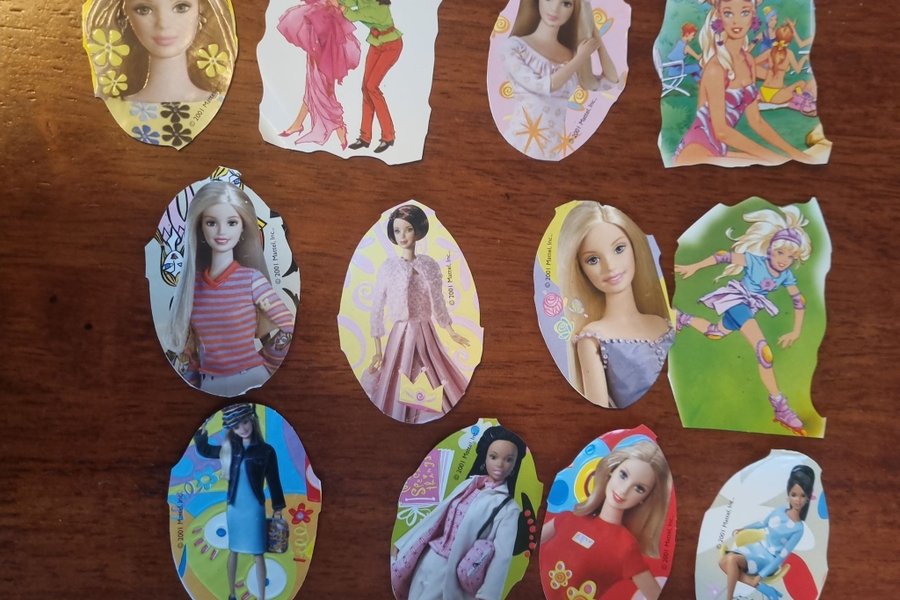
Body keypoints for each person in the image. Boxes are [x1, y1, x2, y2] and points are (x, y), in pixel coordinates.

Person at [674, 205, 812, 435]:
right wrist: (694, 266)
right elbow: (723, 256)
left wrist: (796, 331)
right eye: (780, 253)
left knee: (714, 333)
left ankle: (682, 318)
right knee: (763, 351)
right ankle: (780, 407)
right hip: (738, 301)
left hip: (750, 308)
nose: (784, 260)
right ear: (770, 249)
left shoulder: (786, 275)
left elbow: (799, 301)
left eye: (790, 256)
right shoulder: (755, 261)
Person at [166, 181, 294, 397]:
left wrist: (268, 364)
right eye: (211, 223)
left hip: (251, 377)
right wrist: (191, 381)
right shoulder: (192, 287)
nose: (221, 231)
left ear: (243, 226)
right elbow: (190, 349)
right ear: (200, 227)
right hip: (207, 386)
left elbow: (287, 325)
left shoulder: (252, 280)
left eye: (232, 222)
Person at [556, 202, 673, 408]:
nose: (610, 266)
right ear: (580, 269)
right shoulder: (592, 339)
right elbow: (598, 412)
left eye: (619, 249)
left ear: (635, 248)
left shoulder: (662, 323)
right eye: (593, 260)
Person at [672, 0, 816, 166]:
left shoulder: (748, 61)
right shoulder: (715, 69)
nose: (736, 21)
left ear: (753, 15)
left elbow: (756, 121)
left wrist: (794, 153)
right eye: (728, 13)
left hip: (719, 149)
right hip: (697, 149)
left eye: (744, 12)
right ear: (719, 16)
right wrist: (774, 157)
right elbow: (722, 132)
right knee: (775, 163)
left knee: (786, 163)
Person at [391, 426, 527, 600]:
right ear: (485, 457)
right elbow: (436, 518)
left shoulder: (509, 509)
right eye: (494, 457)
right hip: (429, 556)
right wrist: (404, 543)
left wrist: (487, 595)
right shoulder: (470, 485)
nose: (500, 464)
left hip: (450, 571)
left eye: (508, 460)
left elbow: (502, 556)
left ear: (514, 466)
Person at [365, 205, 470, 423]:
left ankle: (435, 409)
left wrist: (450, 330)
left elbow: (438, 300)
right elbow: (377, 307)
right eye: (397, 231)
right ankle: (400, 413)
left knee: (433, 369)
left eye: (408, 229)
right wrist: (377, 350)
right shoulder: (389, 268)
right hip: (400, 333)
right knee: (398, 372)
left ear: (418, 231)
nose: (402, 236)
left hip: (425, 330)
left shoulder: (429, 265)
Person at [540, 440, 672, 600]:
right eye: (623, 475)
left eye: (639, 488)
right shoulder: (569, 519)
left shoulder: (625, 547)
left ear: (645, 499)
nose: (624, 490)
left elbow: (655, 594)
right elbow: (526, 547)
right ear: (612, 471)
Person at [501, 0, 619, 160]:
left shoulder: (572, 54)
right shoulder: (515, 47)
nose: (555, 9)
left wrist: (595, 35)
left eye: (566, 3)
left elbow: (611, 81)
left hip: (554, 151)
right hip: (518, 144)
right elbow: (543, 86)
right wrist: (580, 57)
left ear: (575, 10)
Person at [194, 404, 286, 600]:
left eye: (245, 422)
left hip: (254, 508)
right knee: (234, 551)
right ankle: (232, 593)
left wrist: (278, 508)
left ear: (252, 420)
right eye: (236, 426)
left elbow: (274, 480)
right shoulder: (230, 450)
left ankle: (262, 597)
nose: (242, 429)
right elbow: (204, 450)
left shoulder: (266, 451)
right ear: (231, 429)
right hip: (235, 507)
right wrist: (201, 429)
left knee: (258, 553)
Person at [83, 0, 235, 103]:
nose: (163, 24)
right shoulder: (117, 107)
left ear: (200, 11)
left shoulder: (218, 102)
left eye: (181, 7)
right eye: (144, 10)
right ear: (124, 16)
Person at [719, 465, 816, 600]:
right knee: (723, 562)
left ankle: (728, 598)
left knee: (730, 560)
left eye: (802, 496)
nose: (798, 500)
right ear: (788, 495)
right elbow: (763, 523)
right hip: (756, 548)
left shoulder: (798, 529)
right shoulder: (780, 510)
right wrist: (745, 528)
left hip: (769, 559)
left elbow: (781, 557)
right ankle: (759, 586)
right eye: (794, 495)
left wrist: (761, 575)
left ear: (807, 498)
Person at [276, 0, 362, 148]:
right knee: (313, 84)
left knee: (323, 87)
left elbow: (341, 5)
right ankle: (298, 124)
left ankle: (339, 128)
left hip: (328, 37)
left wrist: (338, 7)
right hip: (318, 31)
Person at [339, 0, 402, 153]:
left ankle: (388, 135)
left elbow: (354, 15)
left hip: (391, 45)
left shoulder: (379, 7)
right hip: (376, 43)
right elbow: (350, 2)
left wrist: (339, 6)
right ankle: (365, 137)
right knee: (365, 88)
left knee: (372, 87)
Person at [755, 23, 816, 116]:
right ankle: (800, 103)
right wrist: (804, 59)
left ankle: (798, 101)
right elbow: (798, 70)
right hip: (777, 97)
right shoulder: (789, 53)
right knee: (801, 83)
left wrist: (767, 68)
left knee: (788, 88)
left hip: (763, 93)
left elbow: (753, 62)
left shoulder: (770, 52)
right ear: (790, 40)